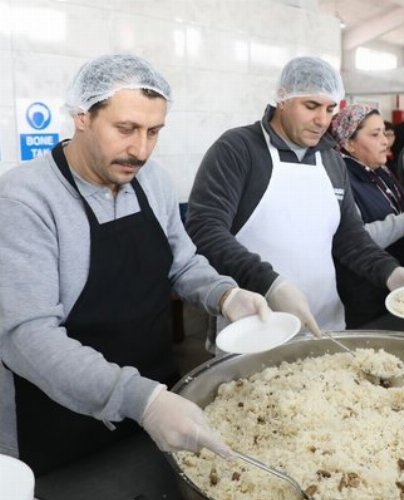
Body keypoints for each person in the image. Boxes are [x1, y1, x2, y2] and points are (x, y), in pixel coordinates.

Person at [0, 54, 269, 474]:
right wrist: (138, 399)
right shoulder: (25, 199)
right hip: (61, 419)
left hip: (158, 393)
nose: (140, 149)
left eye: (153, 132)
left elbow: (182, 263)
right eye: (125, 129)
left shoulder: (153, 182)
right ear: (82, 116)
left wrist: (226, 294)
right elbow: (27, 337)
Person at [186, 56, 404, 336]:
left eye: (330, 108)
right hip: (255, 325)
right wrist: (270, 284)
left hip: (324, 325)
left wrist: (390, 272)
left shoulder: (331, 161)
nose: (322, 120)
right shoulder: (238, 149)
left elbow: (349, 236)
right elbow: (205, 229)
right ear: (282, 98)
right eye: (311, 106)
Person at [329, 104, 404, 327]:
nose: (385, 141)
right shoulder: (343, 179)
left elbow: (399, 208)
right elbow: (357, 238)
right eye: (375, 134)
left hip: (391, 282)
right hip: (364, 296)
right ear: (349, 144)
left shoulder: (380, 171)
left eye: (385, 133)